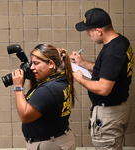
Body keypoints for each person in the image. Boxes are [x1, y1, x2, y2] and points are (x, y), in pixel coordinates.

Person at [70, 8, 134, 150]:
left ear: (99, 31)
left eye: (89, 31)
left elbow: (103, 89)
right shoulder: (121, 42)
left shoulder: (112, 53)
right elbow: (109, 71)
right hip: (117, 109)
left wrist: (80, 79)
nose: (87, 34)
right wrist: (82, 63)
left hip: (110, 114)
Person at [12, 44, 76, 150]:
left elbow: (25, 116)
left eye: (36, 63)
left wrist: (18, 87)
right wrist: (32, 78)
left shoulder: (49, 89)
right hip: (59, 139)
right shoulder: (60, 79)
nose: (32, 67)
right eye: (32, 63)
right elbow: (34, 98)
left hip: (50, 144)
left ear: (51, 64)